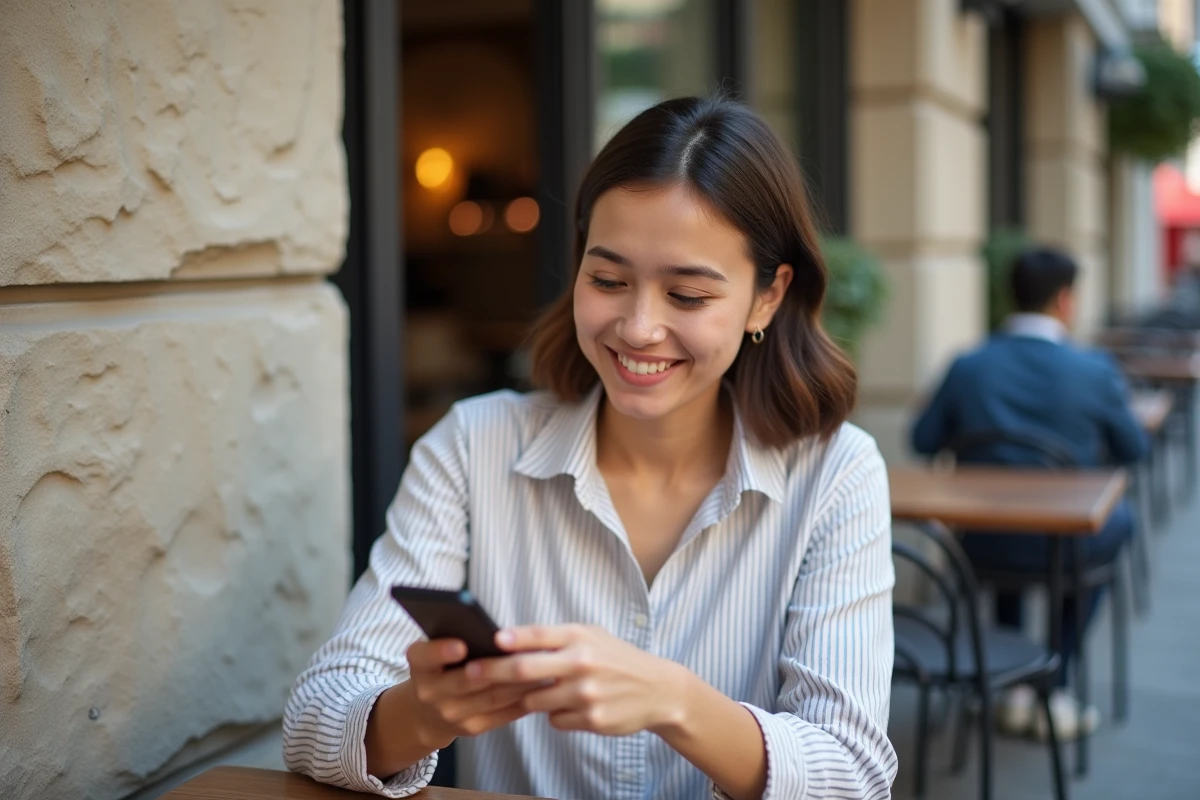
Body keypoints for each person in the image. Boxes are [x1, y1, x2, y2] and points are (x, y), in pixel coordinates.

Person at [283, 96, 897, 800]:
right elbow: (310, 724)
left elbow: (851, 777)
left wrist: (676, 702)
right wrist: (424, 712)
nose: (638, 328)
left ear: (767, 297)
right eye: (608, 281)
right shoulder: (473, 447)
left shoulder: (836, 473)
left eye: (688, 296)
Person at [911, 246, 1148, 740]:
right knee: (1120, 520)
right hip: (1067, 544)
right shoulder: (1094, 370)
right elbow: (1134, 447)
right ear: (1065, 300)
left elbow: (922, 441)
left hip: (979, 543)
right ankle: (1050, 682)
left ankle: (1011, 682)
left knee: (1011, 537)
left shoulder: (968, 366)